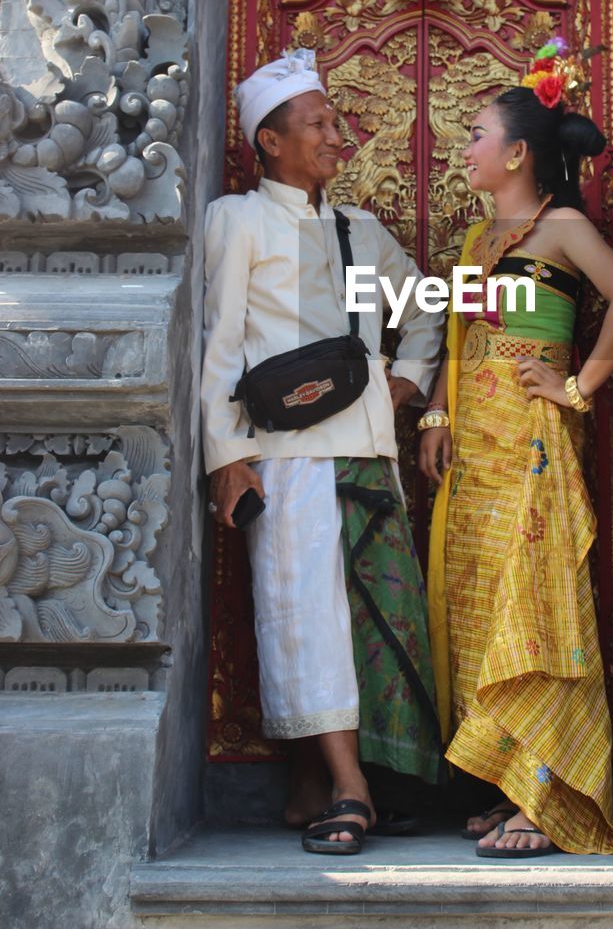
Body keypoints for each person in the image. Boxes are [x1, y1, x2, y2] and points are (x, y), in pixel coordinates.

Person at [202, 48, 443, 855]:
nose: (338, 135)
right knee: (306, 619)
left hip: (368, 452)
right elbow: (219, 347)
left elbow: (426, 313)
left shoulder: (361, 233)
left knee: (381, 620)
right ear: (269, 142)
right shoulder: (236, 221)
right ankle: (348, 787)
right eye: (318, 124)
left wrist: (401, 385)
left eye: (336, 120)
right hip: (285, 455)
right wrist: (225, 456)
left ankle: (334, 782)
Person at [420, 39, 613, 858]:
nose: (466, 149)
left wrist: (578, 388)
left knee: (536, 613)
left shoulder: (560, 227)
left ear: (517, 152)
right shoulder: (477, 241)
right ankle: (510, 783)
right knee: (485, 617)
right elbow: (459, 342)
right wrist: (436, 419)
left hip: (531, 448)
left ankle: (550, 796)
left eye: (477, 134)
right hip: (473, 457)